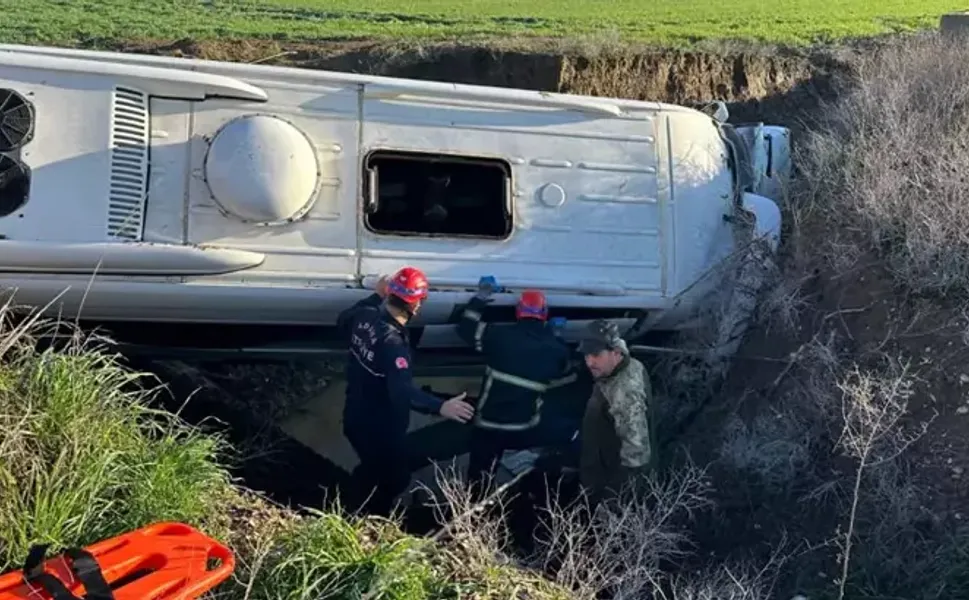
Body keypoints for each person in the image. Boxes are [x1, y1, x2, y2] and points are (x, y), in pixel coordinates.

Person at [336, 266, 476, 516]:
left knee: (372, 467)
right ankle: (370, 516)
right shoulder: (393, 345)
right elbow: (401, 391)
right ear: (416, 306)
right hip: (380, 429)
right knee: (394, 479)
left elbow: (343, 319)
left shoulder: (365, 316)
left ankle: (358, 493)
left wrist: (375, 296)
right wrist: (441, 406)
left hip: (355, 417)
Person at [456, 277, 575, 495]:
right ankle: (529, 494)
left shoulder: (499, 336)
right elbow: (564, 370)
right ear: (545, 314)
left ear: (518, 312)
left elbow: (465, 329)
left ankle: (474, 513)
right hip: (525, 428)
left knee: (478, 481)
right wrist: (556, 337)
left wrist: (481, 297)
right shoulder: (555, 349)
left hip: (488, 425)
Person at [575, 319, 657, 505]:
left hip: (611, 489)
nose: (589, 361)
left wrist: (611, 502)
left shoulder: (625, 393)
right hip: (600, 471)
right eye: (586, 355)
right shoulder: (626, 366)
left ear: (616, 352)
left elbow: (636, 459)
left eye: (596, 354)